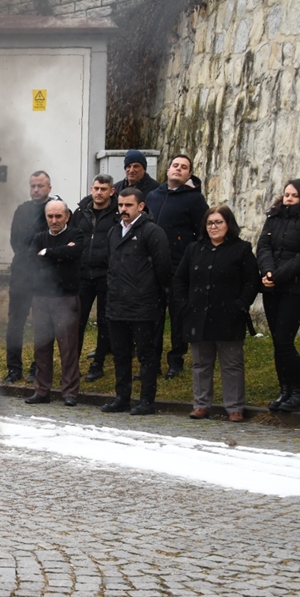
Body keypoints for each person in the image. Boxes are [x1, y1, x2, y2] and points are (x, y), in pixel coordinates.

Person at [173, 206, 260, 422]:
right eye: (210, 223)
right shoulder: (194, 249)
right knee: (201, 363)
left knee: (231, 364)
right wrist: (184, 305)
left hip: (229, 316)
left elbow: (252, 281)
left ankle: (235, 408)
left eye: (218, 222)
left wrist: (241, 304)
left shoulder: (241, 249)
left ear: (228, 224)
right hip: (197, 316)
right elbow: (179, 279)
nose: (214, 227)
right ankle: (201, 405)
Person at [256, 179, 300, 413]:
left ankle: (298, 393)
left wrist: (278, 275)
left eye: (294, 195)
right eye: (286, 194)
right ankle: (285, 391)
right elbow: (264, 245)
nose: (288, 199)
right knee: (278, 341)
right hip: (272, 287)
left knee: (285, 340)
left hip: (296, 288)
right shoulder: (274, 216)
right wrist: (267, 272)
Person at [101, 188, 172, 416]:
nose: (123, 209)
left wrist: (152, 294)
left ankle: (146, 401)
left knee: (146, 355)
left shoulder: (152, 232)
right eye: (120, 205)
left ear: (140, 206)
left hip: (143, 304)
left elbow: (163, 269)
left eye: (128, 205)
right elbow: (110, 265)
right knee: (121, 354)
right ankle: (122, 397)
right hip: (117, 304)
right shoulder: (114, 232)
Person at [145, 154, 209, 378]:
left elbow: (202, 232)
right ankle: (151, 361)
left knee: (178, 315)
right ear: (168, 170)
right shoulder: (153, 196)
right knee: (153, 316)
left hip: (179, 267)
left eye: (184, 167)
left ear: (189, 174)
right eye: (175, 165)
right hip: (152, 266)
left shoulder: (194, 199)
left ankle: (176, 360)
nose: (178, 169)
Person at [25, 199, 85, 406]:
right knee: (41, 347)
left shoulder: (76, 235)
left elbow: (74, 252)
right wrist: (60, 255)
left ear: (67, 216)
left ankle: (69, 392)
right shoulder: (39, 237)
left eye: (58, 216)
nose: (54, 220)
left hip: (66, 298)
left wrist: (48, 253)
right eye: (50, 216)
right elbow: (31, 259)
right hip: (41, 298)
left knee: (68, 347)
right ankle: (42, 391)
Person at [5, 171, 54, 383]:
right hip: (21, 275)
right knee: (15, 323)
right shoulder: (22, 210)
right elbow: (15, 240)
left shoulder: (54, 210)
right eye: (32, 185)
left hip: (45, 276)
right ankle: (14, 368)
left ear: (49, 188)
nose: (35, 190)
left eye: (40, 186)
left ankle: (38, 367)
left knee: (42, 324)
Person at [74, 174, 118, 382]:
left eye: (104, 189)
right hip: (83, 274)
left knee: (104, 320)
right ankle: (72, 364)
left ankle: (98, 363)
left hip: (106, 274)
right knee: (77, 321)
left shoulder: (118, 213)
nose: (99, 192)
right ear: (91, 189)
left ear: (112, 191)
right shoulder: (80, 212)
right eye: (96, 188)